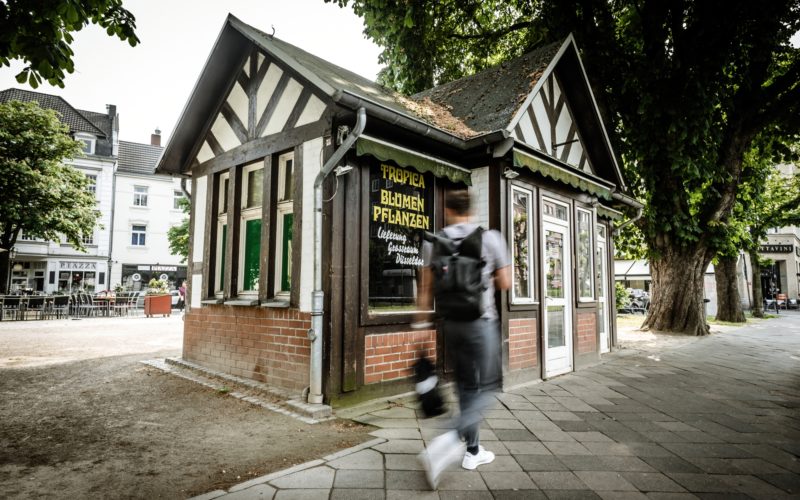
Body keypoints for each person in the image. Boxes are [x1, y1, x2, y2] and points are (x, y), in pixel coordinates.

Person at [415, 189, 511, 488]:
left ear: (447, 210)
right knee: (490, 387)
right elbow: (506, 282)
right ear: (471, 209)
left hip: (450, 325)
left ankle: (473, 451)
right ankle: (450, 437)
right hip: (481, 323)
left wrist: (419, 327)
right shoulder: (490, 238)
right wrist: (485, 276)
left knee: (465, 386)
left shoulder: (435, 242)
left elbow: (426, 289)